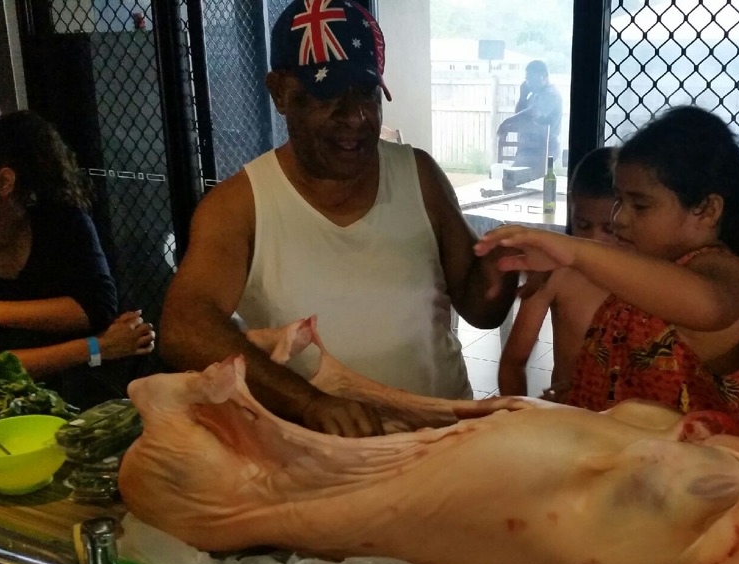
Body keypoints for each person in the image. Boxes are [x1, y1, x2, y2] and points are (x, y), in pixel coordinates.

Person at [159, 0, 519, 438]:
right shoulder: (240, 205)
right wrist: (309, 402)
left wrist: (503, 269)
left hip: (440, 439)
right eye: (327, 95)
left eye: (366, 93)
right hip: (322, 455)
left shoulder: (418, 175)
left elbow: (480, 308)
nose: (355, 118)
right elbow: (184, 326)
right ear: (279, 92)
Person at [477, 106, 739, 440]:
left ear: (706, 210)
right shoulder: (646, 267)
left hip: (696, 486)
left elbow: (709, 304)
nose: (621, 219)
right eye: (620, 201)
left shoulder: (719, 269)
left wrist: (575, 250)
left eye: (640, 206)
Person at [0, 112, 155, 407]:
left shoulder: (64, 226)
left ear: (3, 182)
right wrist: (97, 347)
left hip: (85, 398)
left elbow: (94, 309)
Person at [498, 146, 618, 402]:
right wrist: (519, 417)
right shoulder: (555, 273)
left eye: (610, 229)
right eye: (583, 225)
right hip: (570, 420)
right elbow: (512, 362)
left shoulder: (654, 279)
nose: (595, 239)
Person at [496, 60, 563, 181]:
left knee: (517, 180)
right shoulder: (534, 95)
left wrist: (506, 122)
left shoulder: (551, 94)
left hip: (542, 151)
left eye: (531, 79)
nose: (528, 83)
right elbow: (519, 115)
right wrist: (522, 96)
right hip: (528, 150)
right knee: (510, 179)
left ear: (544, 76)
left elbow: (532, 113)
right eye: (527, 79)